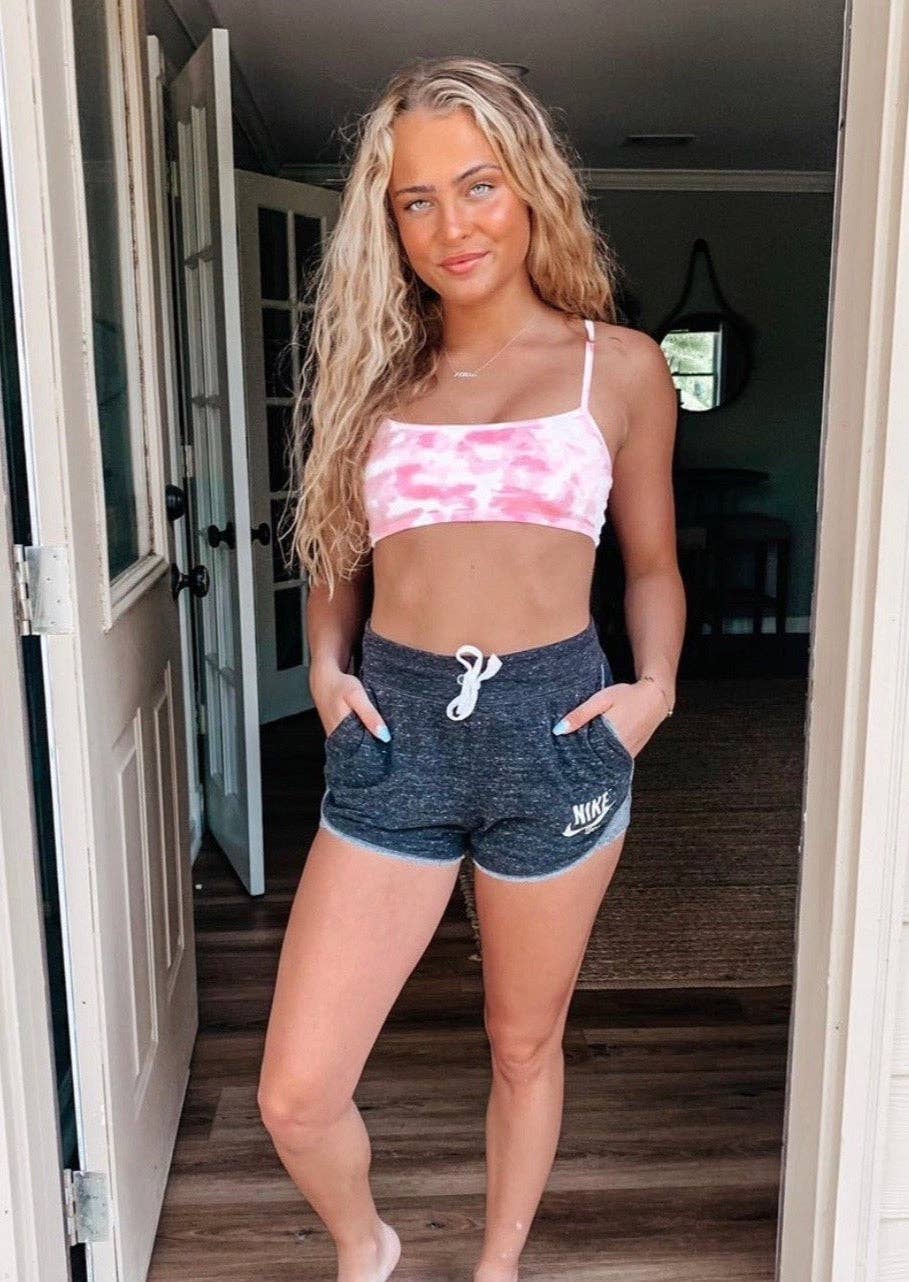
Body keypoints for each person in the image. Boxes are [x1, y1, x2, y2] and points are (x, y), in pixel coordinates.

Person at [258, 55, 685, 1282]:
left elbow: (653, 564)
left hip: (559, 731)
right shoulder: (373, 372)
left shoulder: (621, 367)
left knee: (521, 1042)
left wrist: (654, 690)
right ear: (389, 223)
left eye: (479, 184)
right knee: (296, 1090)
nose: (454, 225)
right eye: (418, 199)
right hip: (395, 730)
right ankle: (368, 1246)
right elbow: (335, 552)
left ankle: (498, 1265)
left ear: (531, 185)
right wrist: (325, 665)